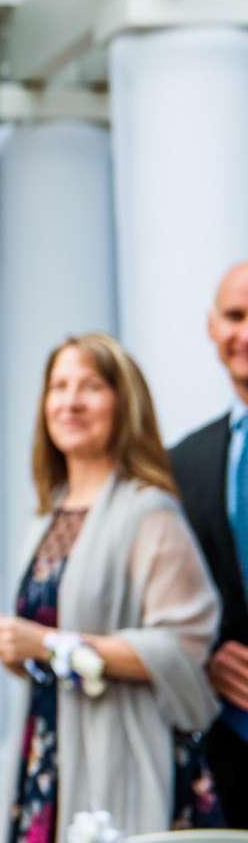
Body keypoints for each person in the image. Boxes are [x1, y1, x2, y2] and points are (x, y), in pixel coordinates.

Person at [0, 332, 222, 840]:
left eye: (90, 386)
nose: (71, 401)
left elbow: (185, 644)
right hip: (47, 750)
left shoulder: (148, 510)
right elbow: (52, 649)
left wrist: (48, 643)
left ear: (122, 403)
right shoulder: (48, 513)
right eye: (59, 386)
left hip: (121, 754)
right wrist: (11, 644)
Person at [168, 261, 248, 818]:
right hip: (227, 750)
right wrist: (206, 655)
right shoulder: (183, 462)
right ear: (210, 327)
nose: (244, 334)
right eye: (234, 316)